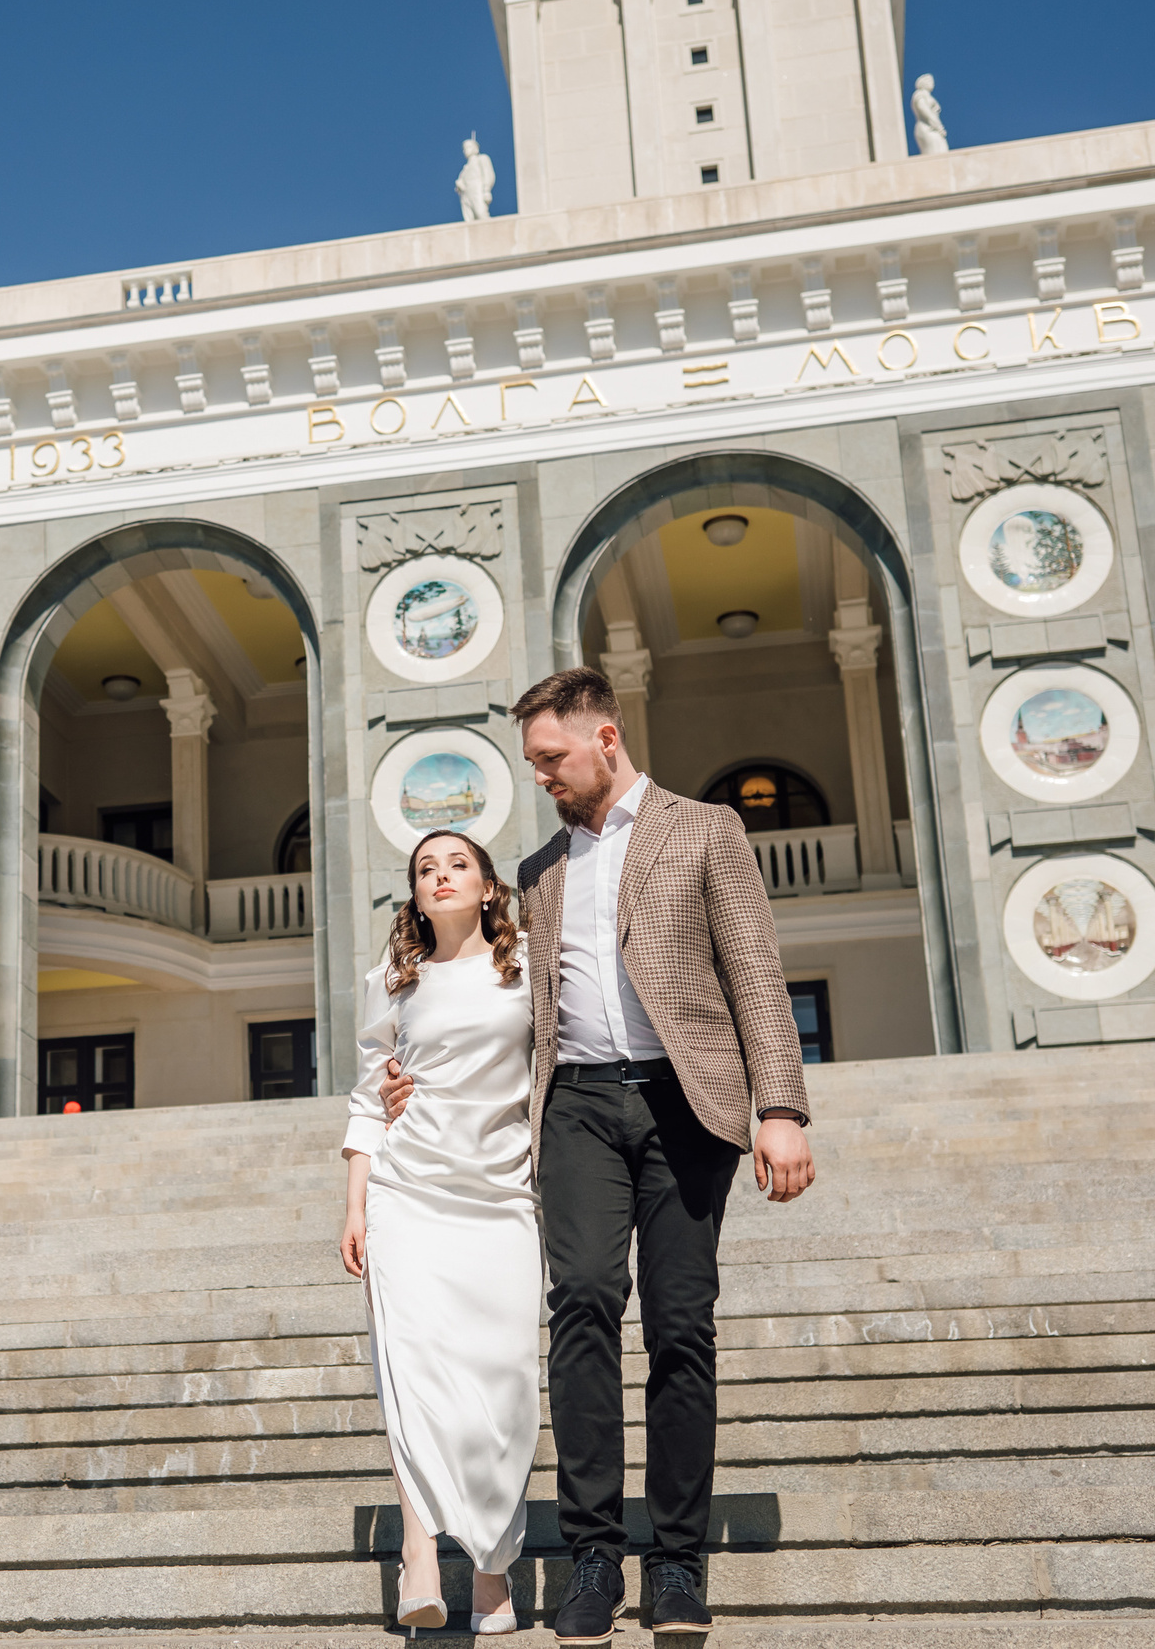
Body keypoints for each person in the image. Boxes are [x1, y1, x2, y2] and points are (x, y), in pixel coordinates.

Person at [381, 667, 815, 1644]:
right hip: (575, 1106)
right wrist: (411, 1080)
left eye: (550, 758)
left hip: (684, 1104)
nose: (540, 777)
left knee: (680, 1324)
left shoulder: (705, 830)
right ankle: (590, 1554)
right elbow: (488, 992)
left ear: (604, 739)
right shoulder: (539, 869)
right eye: (533, 762)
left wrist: (780, 1108)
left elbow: (755, 970)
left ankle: (676, 1560)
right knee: (579, 1302)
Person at [341, 830, 537, 1636]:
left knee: (505, 1383)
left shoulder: (528, 967)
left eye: (458, 864)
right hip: (408, 1192)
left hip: (503, 1195)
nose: (442, 876)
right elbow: (367, 1096)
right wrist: (355, 1205)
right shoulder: (392, 979)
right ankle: (418, 1553)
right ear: (415, 894)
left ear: (489, 886)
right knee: (412, 1370)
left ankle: (492, 1565)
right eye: (427, 869)